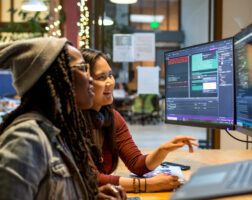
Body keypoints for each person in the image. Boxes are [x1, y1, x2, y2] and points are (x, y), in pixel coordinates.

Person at [0, 38, 126, 200]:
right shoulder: (26, 138)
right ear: (54, 79)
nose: (89, 79)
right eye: (81, 68)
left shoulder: (61, 132)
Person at [81, 48, 198, 193]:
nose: (110, 82)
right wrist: (148, 185)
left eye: (110, 75)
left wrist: (163, 150)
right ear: (83, 83)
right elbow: (91, 178)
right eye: (101, 77)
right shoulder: (72, 123)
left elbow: (137, 165)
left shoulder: (112, 118)